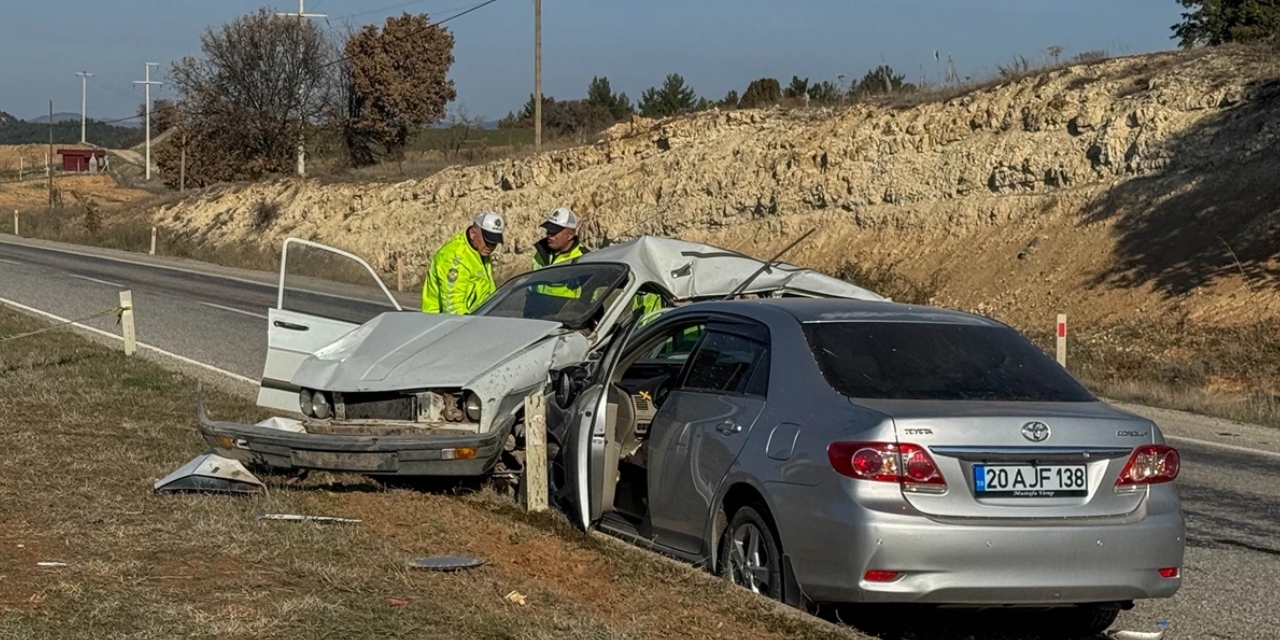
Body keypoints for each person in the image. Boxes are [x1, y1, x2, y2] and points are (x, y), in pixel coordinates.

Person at [421, 210, 505, 314]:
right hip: (443, 325)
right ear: (473, 234)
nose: (491, 247)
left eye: (494, 242)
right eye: (488, 241)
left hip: (475, 321)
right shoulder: (454, 259)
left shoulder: (480, 253)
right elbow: (453, 308)